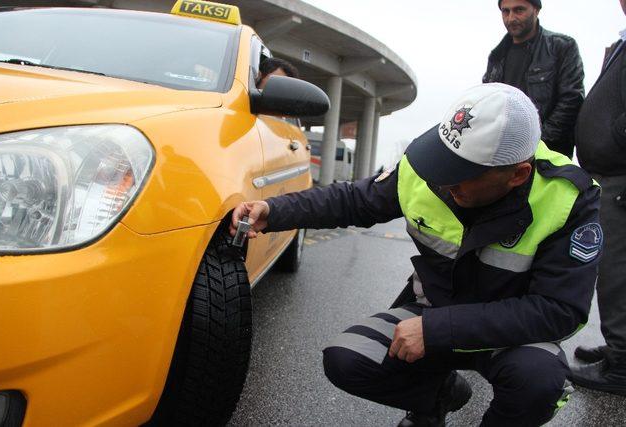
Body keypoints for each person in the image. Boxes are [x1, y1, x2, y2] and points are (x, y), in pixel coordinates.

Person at [231, 83, 601, 426]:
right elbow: (354, 200)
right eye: (444, 162)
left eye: (462, 173)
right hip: (433, 309)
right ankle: (438, 398)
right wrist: (273, 212)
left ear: (518, 175)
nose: (442, 180)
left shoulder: (569, 197)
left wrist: (438, 329)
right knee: (346, 359)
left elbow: (560, 310)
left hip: (509, 332)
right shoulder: (428, 168)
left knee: (537, 383)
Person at [569, 0, 626, 397]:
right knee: (612, 270)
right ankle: (619, 347)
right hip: (610, 173)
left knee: (617, 272)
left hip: (620, 174)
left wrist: (612, 141)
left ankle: (622, 365)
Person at [483, 0, 585, 158]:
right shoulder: (497, 56)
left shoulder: (561, 47)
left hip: (548, 155)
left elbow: (571, 100)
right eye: (505, 11)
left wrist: (536, 143)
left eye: (519, 10)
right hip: (505, 156)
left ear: (536, 10)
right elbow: (488, 106)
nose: (511, 18)